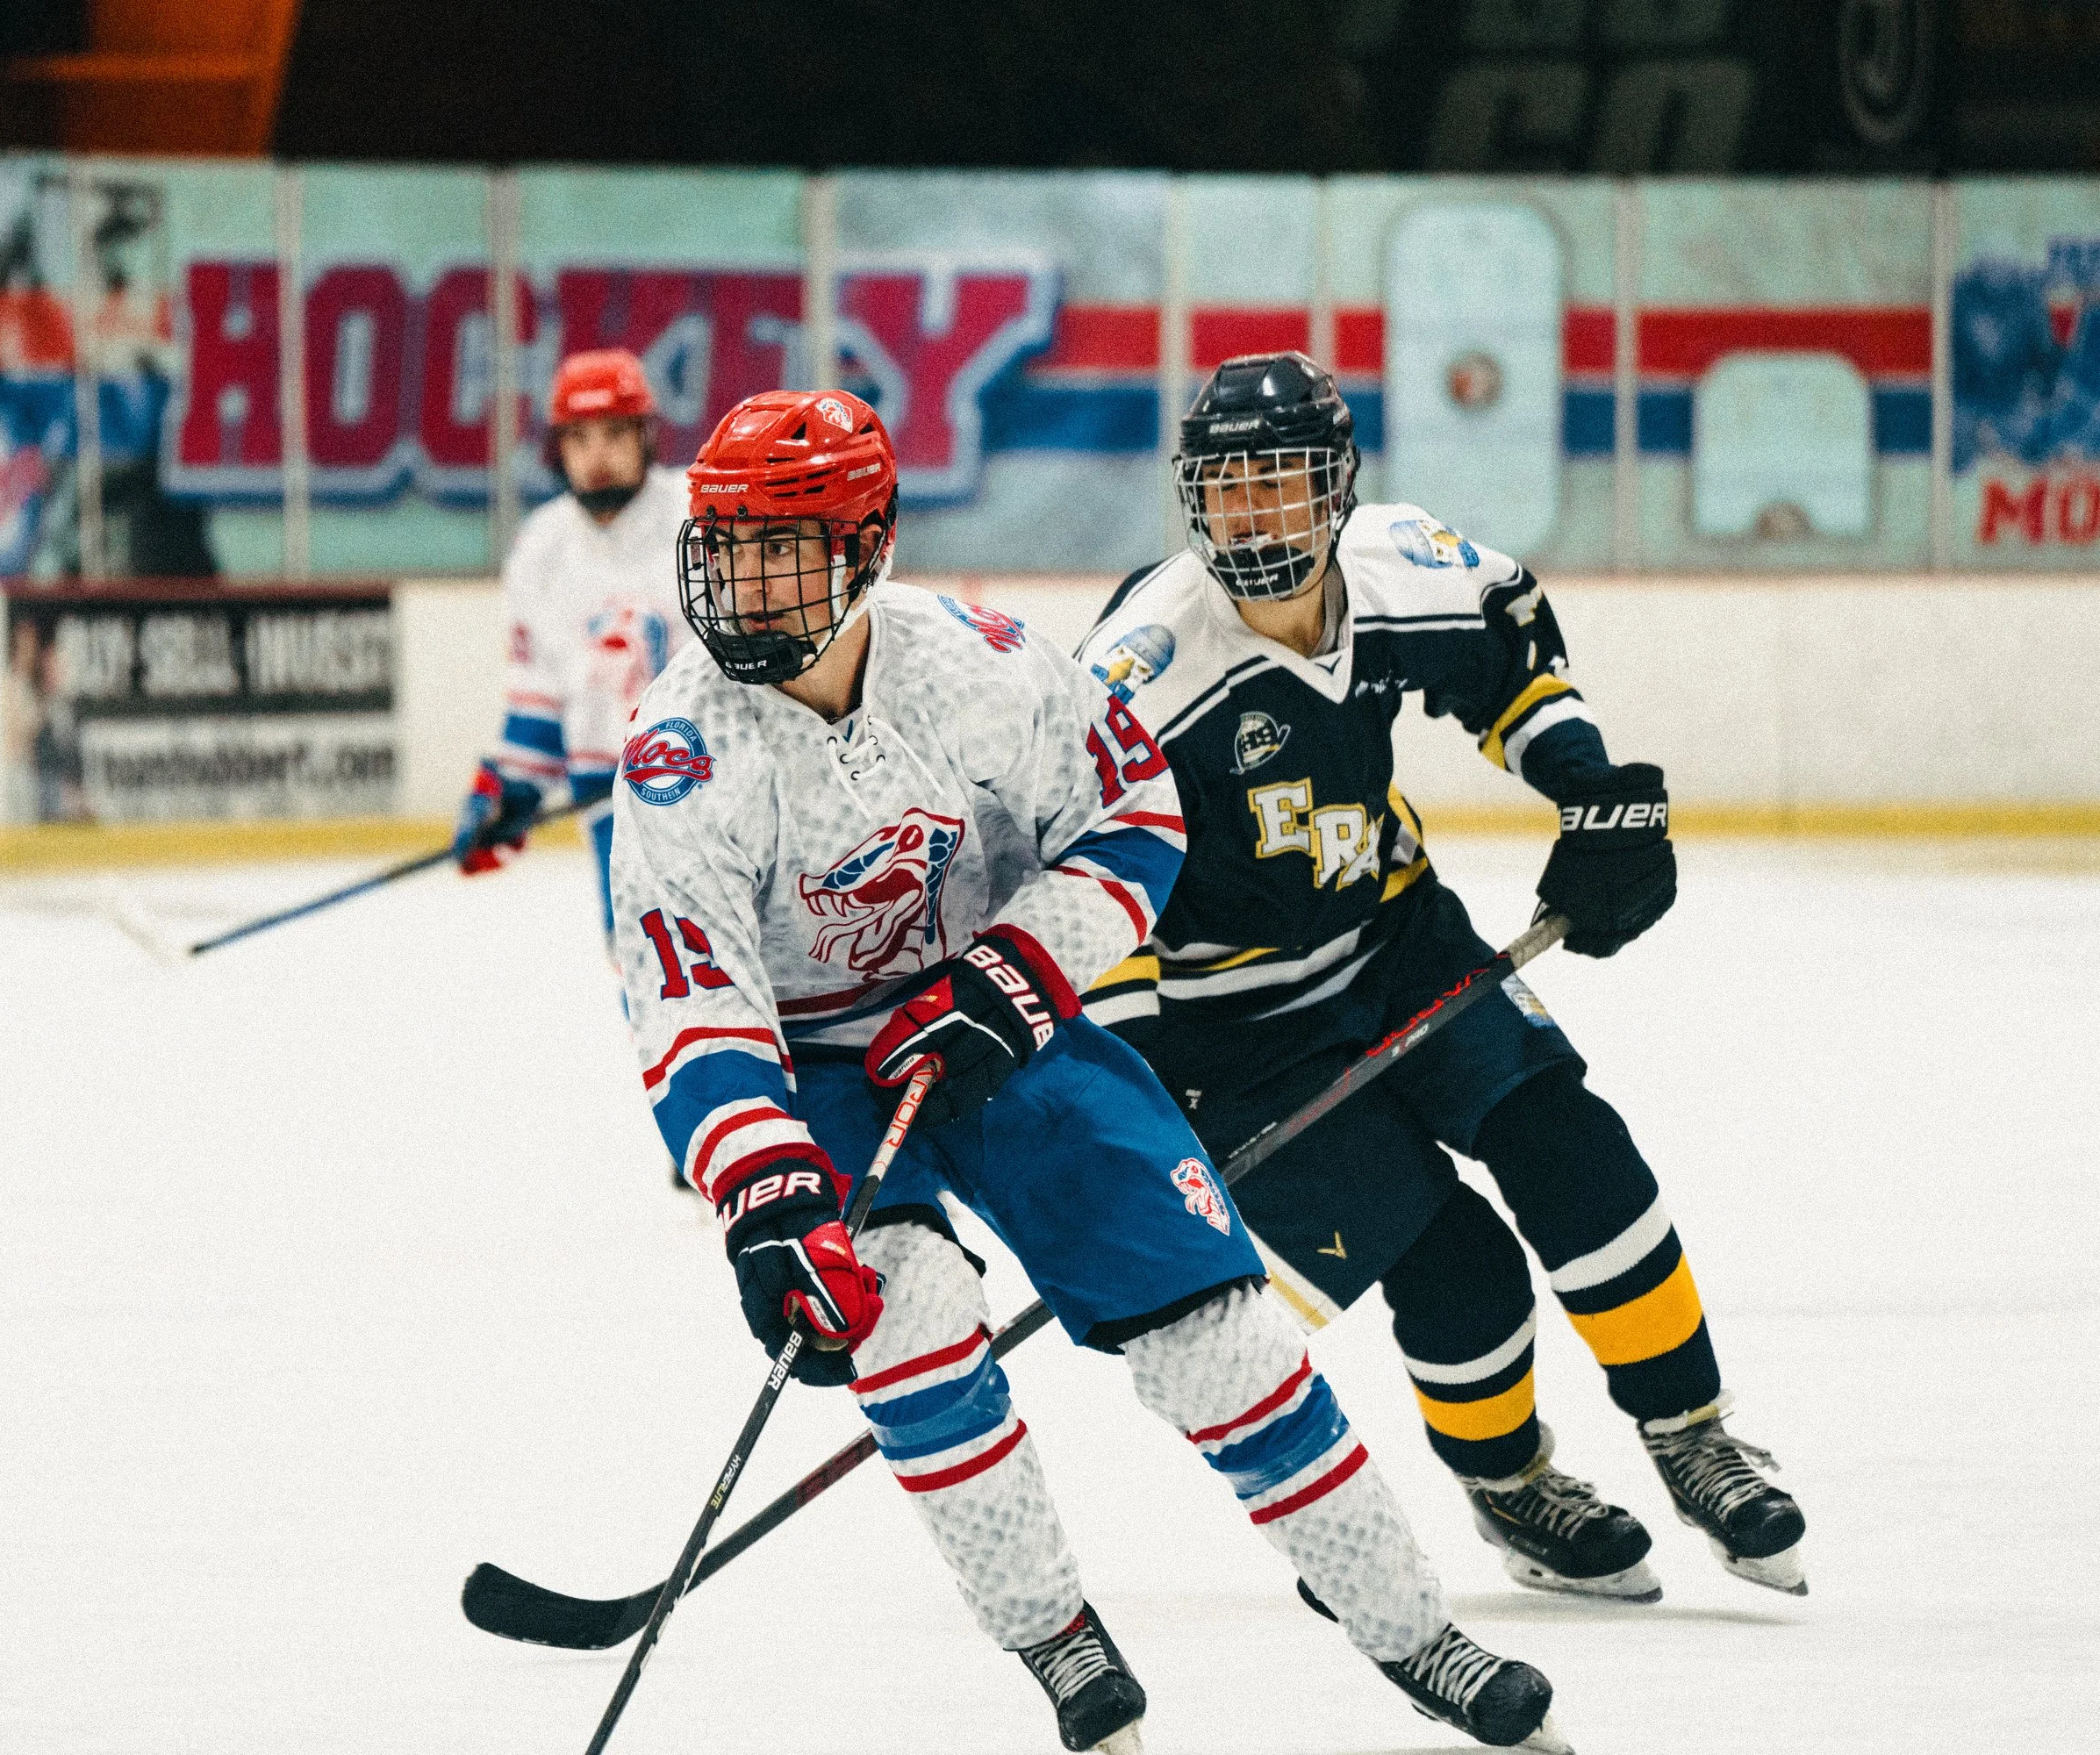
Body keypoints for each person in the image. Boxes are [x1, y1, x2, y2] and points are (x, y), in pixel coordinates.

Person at [608, 386, 1572, 1754]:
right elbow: (695, 1008)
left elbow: (1134, 814)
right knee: (908, 1311)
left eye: (787, 546)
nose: (747, 582)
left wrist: (1009, 981)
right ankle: (1057, 1638)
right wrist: (764, 1204)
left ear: (870, 543)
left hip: (1002, 1025)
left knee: (1224, 1337)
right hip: (815, 1068)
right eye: (729, 544)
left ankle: (1417, 1634)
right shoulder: (680, 754)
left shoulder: (978, 664)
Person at [1076, 351, 1806, 1604]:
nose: (1255, 517)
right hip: (1232, 1031)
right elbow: (1091, 876)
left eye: (1283, 484)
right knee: (1456, 1262)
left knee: (1572, 1146)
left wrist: (1591, 795)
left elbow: (1509, 654)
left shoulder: (1401, 567)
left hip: (1398, 939)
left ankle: (1693, 1434)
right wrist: (1135, 1106)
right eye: (1228, 489)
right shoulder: (1142, 676)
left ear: (1337, 487)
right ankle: (1513, 1485)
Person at [452, 347, 685, 942]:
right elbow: (541, 698)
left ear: (646, 436)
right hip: (607, 806)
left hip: (715, 794)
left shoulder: (700, 517)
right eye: (579, 439)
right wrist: (511, 792)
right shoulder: (541, 549)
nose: (597, 455)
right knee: (648, 978)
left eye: (613, 433)